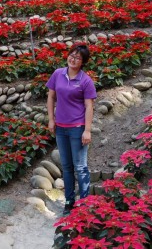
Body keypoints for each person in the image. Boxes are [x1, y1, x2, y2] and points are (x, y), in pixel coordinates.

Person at [46, 44, 97, 216]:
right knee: (66, 167)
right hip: (61, 128)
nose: (73, 59)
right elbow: (51, 97)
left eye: (78, 58)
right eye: (71, 55)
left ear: (83, 62)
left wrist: (87, 130)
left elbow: (89, 106)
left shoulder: (85, 81)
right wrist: (51, 119)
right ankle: (69, 201)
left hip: (77, 128)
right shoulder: (57, 74)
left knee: (80, 167)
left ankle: (84, 203)